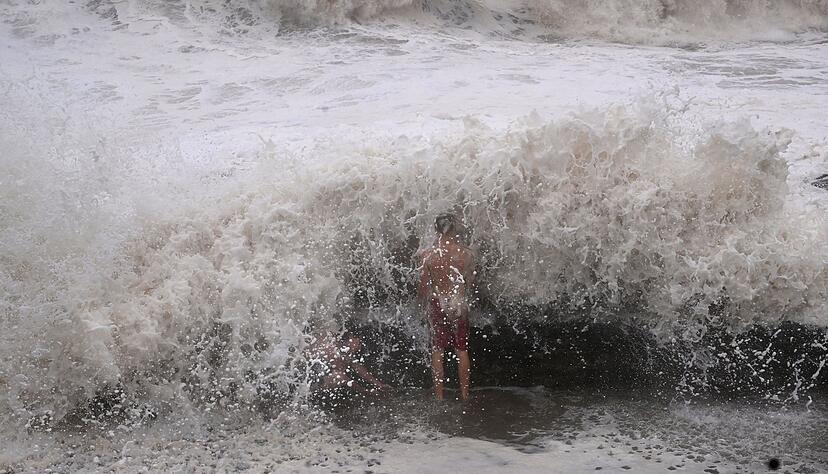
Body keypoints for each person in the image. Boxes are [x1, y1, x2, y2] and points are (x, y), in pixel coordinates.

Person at [417, 213, 475, 401]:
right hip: (458, 303)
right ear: (454, 228)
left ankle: (439, 396)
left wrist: (420, 305)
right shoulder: (466, 254)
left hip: (437, 302)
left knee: (437, 350)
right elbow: (470, 283)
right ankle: (465, 395)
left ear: (436, 229)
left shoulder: (428, 255)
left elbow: (423, 287)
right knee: (462, 349)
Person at [307, 332, 393, 402]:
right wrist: (367, 392)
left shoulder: (344, 350)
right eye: (358, 339)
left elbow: (358, 367)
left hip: (322, 378)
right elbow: (342, 378)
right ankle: (366, 393)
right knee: (339, 376)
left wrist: (379, 385)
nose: (360, 343)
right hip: (314, 385)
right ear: (350, 338)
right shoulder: (333, 349)